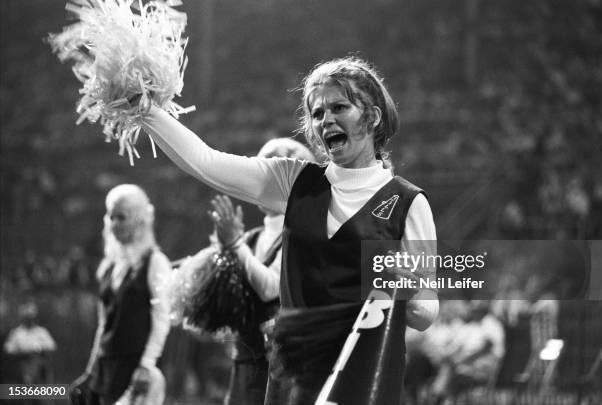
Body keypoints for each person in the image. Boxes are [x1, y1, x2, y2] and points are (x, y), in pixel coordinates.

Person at [138, 56, 439, 404]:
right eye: (317, 113)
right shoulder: (294, 180)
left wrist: (406, 287)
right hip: (294, 374)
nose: (326, 120)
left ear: (372, 117)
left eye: (339, 107)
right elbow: (206, 162)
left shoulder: (408, 202)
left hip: (363, 373)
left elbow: (426, 313)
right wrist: (144, 109)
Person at [207, 138, 316, 405]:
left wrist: (233, 244)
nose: (255, 182)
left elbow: (270, 288)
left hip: (282, 368)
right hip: (243, 362)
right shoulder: (252, 238)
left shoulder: (305, 234)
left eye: (264, 173)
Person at [70, 184, 172, 405]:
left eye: (122, 217)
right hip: (105, 368)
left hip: (135, 368)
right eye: (111, 216)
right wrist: (90, 371)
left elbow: (162, 318)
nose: (115, 224)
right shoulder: (109, 266)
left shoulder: (155, 262)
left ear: (139, 219)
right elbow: (103, 324)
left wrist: (147, 365)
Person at [3, 300, 57, 386]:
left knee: (36, 363)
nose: (29, 320)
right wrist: (22, 353)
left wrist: (40, 351)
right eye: (27, 318)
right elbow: (8, 349)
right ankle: (28, 383)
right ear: (23, 318)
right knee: (25, 366)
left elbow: (52, 347)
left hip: (39, 362)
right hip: (21, 362)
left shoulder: (41, 332)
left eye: (31, 317)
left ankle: (29, 383)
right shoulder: (17, 333)